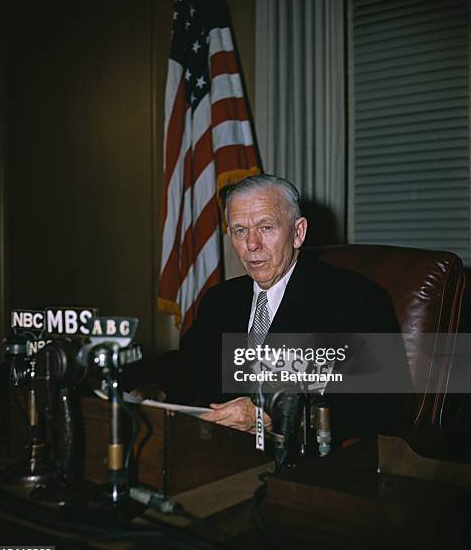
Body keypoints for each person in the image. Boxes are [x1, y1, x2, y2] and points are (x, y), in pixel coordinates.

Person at [157, 174, 410, 446]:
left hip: (303, 461)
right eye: (240, 230)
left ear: (298, 233)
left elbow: (385, 403)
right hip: (221, 451)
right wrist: (129, 376)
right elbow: (189, 366)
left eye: (266, 228)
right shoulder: (221, 299)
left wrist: (273, 413)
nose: (252, 245)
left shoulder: (354, 298)